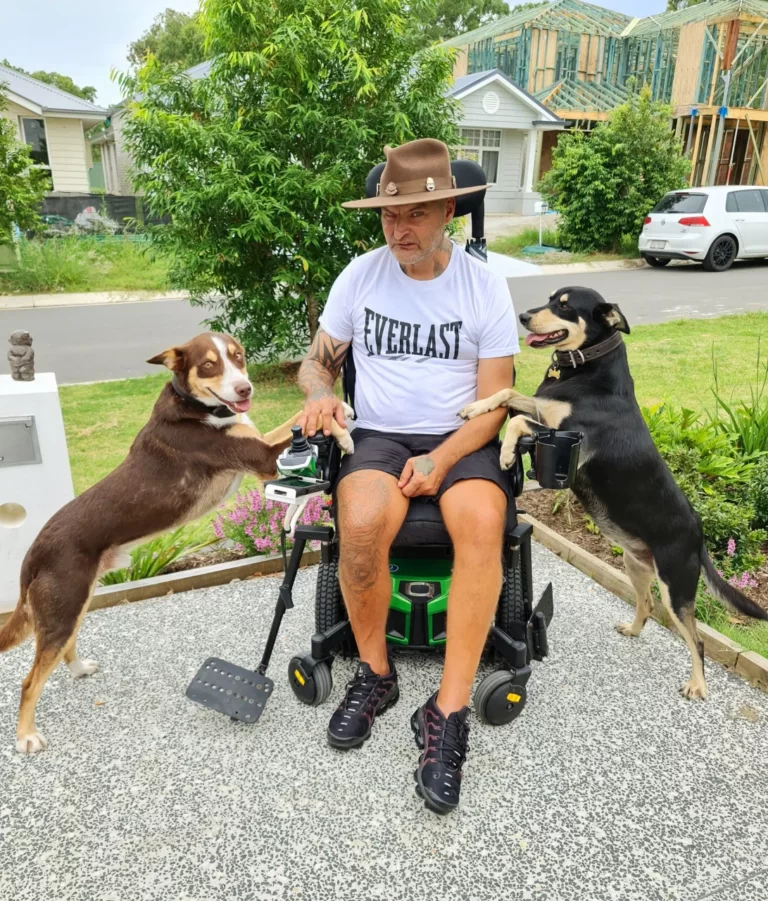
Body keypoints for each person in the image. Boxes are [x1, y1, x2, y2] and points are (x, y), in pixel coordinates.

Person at [297, 138, 520, 814]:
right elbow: (317, 363)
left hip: (463, 434)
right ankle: (376, 672)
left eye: (417, 214)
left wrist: (444, 459)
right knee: (359, 521)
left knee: (483, 520)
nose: (401, 230)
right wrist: (317, 392)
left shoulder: (483, 284)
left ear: (447, 209)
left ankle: (447, 712)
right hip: (380, 434)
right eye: (390, 216)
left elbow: (496, 401)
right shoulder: (360, 275)